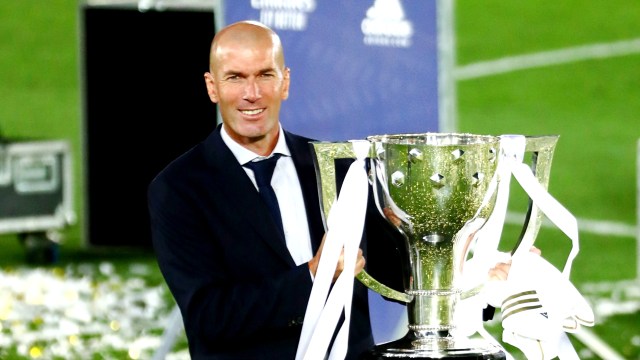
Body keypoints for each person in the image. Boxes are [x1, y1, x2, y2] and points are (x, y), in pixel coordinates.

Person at [148, 20, 520, 360]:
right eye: (235, 78)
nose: (252, 93)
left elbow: (397, 277)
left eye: (265, 74)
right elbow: (209, 317)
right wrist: (315, 275)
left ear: (286, 81)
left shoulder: (343, 170)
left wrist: (470, 273)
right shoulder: (179, 189)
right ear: (212, 87)